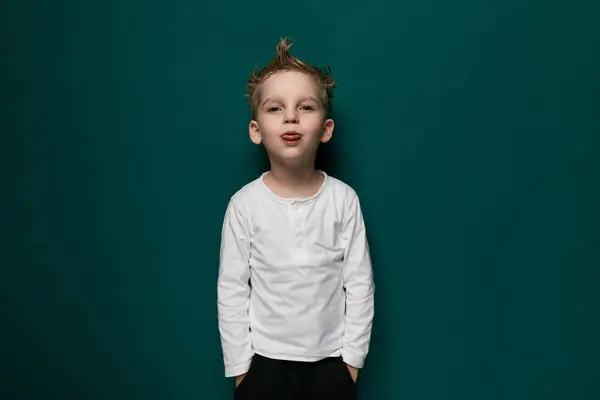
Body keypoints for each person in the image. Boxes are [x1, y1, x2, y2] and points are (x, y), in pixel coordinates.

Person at [217, 37, 375, 400]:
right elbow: (232, 289)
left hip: (331, 365)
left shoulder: (343, 200)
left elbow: (360, 283)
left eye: (305, 107)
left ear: (326, 128)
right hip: (264, 366)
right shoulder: (244, 205)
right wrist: (241, 369)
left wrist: (351, 361)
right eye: (275, 109)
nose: (290, 116)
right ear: (256, 131)